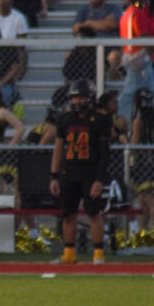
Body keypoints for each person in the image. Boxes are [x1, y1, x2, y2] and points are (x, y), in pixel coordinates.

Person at [49, 79, 111, 265]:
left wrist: (99, 179)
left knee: (93, 213)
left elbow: (105, 152)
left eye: (81, 97)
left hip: (90, 172)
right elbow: (58, 148)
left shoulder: (100, 119)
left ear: (90, 98)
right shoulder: (65, 119)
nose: (77, 101)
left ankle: (98, 254)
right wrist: (54, 175)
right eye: (74, 98)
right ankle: (69, 253)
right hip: (70, 171)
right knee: (68, 214)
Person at [129, 87, 154, 235]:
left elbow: (135, 144)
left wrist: (129, 149)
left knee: (150, 200)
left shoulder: (138, 120)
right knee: (143, 200)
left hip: (143, 163)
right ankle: (143, 232)